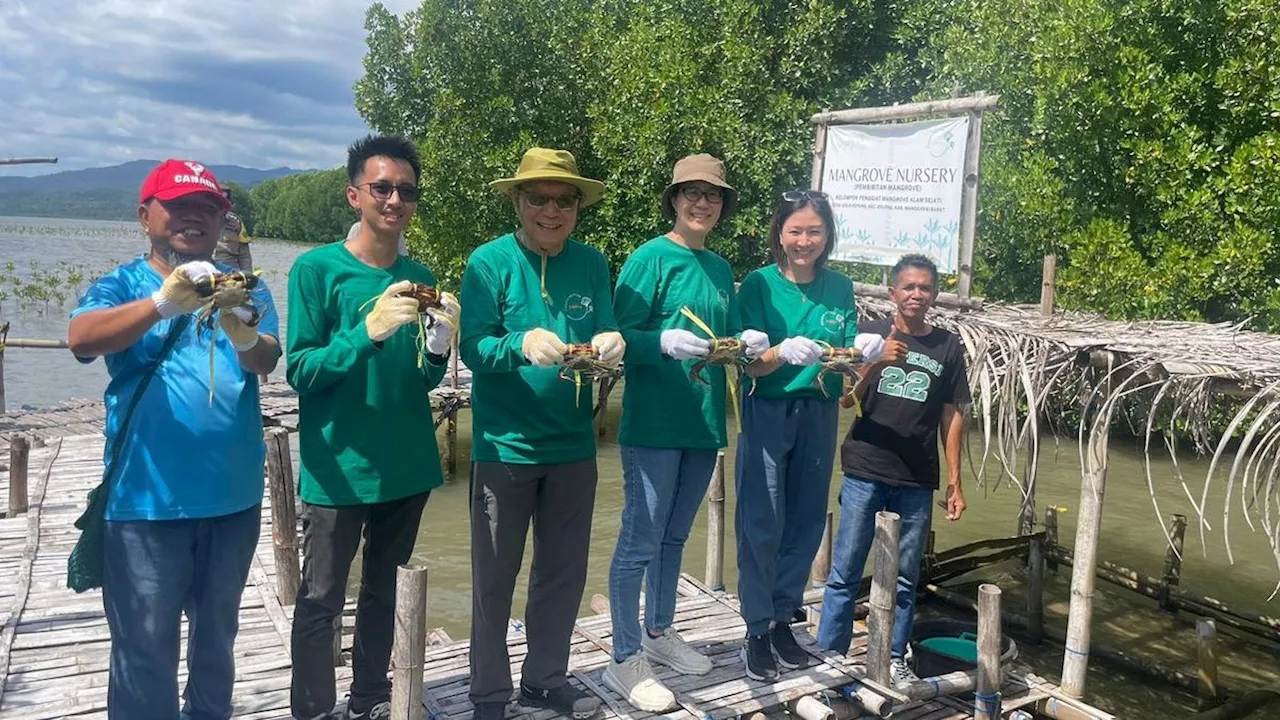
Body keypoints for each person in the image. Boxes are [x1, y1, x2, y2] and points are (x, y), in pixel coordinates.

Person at [67, 159, 281, 719]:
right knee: (143, 656)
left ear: (221, 221)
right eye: (178, 205)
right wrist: (164, 303)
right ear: (146, 216)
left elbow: (267, 361)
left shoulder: (247, 288)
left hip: (234, 503)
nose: (194, 217)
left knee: (217, 652)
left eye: (207, 209)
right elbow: (81, 339)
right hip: (145, 507)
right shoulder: (123, 283)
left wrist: (243, 330)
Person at [287, 134, 459, 720]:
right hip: (337, 470)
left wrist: (437, 349)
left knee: (384, 595)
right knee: (320, 601)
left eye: (406, 190)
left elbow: (419, 384)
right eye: (381, 187)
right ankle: (312, 709)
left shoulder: (420, 275)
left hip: (406, 465)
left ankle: (369, 701)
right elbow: (302, 372)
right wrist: (367, 332)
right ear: (354, 194)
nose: (394, 199)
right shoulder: (316, 270)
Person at [460, 148, 623, 720]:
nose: (551, 210)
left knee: (562, 575)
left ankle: (546, 679)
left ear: (577, 207)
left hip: (575, 447)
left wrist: (610, 341)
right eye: (539, 198)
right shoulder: (487, 262)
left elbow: (605, 323)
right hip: (504, 449)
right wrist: (519, 344)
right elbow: (473, 347)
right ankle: (488, 694)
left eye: (564, 200)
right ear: (517, 202)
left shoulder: (593, 263)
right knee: (493, 582)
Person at [602, 154, 769, 712]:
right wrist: (660, 342)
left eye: (714, 195)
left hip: (702, 423)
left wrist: (744, 344)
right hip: (652, 423)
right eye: (692, 193)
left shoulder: (721, 269)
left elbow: (720, 344)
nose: (703, 203)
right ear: (673, 199)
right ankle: (624, 658)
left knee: (675, 538)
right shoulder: (649, 258)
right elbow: (619, 336)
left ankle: (660, 631)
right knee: (639, 540)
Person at [733, 190, 887, 680]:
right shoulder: (757, 284)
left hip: (818, 412)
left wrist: (863, 352)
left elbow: (842, 367)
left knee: (804, 520)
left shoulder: (840, 288)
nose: (804, 241)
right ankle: (756, 628)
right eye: (795, 230)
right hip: (766, 409)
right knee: (762, 519)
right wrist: (779, 353)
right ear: (780, 232)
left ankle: (783, 618)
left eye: (814, 232)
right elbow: (746, 362)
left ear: (827, 235)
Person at [816, 253, 970, 687]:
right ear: (893, 293)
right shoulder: (870, 337)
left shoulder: (948, 347)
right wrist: (875, 362)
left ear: (934, 294)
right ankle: (831, 654)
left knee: (905, 579)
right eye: (908, 287)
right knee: (845, 571)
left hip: (918, 478)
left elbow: (951, 417)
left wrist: (955, 481)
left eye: (924, 287)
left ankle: (897, 658)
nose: (916, 294)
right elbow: (844, 400)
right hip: (866, 468)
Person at [213, 187, 254, 272]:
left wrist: (248, 276)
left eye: (226, 204)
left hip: (230, 272)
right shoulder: (201, 220)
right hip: (206, 272)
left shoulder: (236, 223)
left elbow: (244, 256)